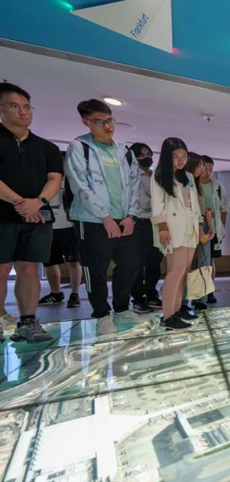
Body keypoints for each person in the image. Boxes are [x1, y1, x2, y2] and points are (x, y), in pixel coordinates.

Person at [65, 99, 142, 331]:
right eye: (99, 122)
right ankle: (101, 315)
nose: (107, 126)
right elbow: (79, 185)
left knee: (130, 264)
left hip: (124, 219)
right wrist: (105, 217)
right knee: (95, 268)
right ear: (85, 122)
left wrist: (131, 215)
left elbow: (135, 184)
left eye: (110, 120)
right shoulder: (79, 147)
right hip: (93, 220)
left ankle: (122, 309)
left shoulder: (124, 151)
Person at [0, 82, 62, 343]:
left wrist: (37, 202)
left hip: (38, 217)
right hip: (3, 216)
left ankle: (28, 322)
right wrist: (20, 203)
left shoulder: (47, 147)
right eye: (14, 106)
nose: (22, 111)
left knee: (29, 269)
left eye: (26, 107)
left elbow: (55, 180)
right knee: (1, 269)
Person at [151, 137, 202, 330]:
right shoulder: (159, 176)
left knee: (184, 270)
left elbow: (194, 204)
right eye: (175, 157)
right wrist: (162, 228)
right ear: (167, 157)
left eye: (184, 156)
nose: (181, 160)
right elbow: (158, 205)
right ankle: (167, 316)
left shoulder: (187, 176)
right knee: (176, 270)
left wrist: (199, 225)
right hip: (172, 227)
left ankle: (177, 309)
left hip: (190, 225)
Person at [39, 157, 82, 309]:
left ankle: (75, 294)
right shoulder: (44, 183)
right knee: (50, 262)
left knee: (74, 261)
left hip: (70, 227)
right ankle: (56, 293)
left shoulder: (73, 182)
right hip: (48, 226)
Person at [129, 142, 162, 313]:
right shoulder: (132, 174)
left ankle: (151, 294)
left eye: (149, 154)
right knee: (138, 262)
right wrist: (153, 198)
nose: (147, 157)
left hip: (156, 221)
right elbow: (140, 199)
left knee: (154, 260)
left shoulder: (155, 175)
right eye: (142, 154)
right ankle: (138, 298)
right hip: (139, 221)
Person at [181, 152, 213, 313]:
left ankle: (200, 298)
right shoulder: (184, 185)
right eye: (200, 166)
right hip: (189, 228)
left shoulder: (197, 186)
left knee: (203, 264)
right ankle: (181, 302)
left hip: (202, 227)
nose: (202, 169)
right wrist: (200, 225)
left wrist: (210, 227)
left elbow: (204, 209)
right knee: (186, 266)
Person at [199, 155, 228, 304]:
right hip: (197, 228)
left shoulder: (217, 187)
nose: (208, 173)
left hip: (214, 230)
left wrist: (220, 227)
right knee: (197, 261)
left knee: (210, 260)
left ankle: (210, 291)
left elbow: (224, 209)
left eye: (211, 170)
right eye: (205, 169)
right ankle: (198, 292)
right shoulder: (192, 185)